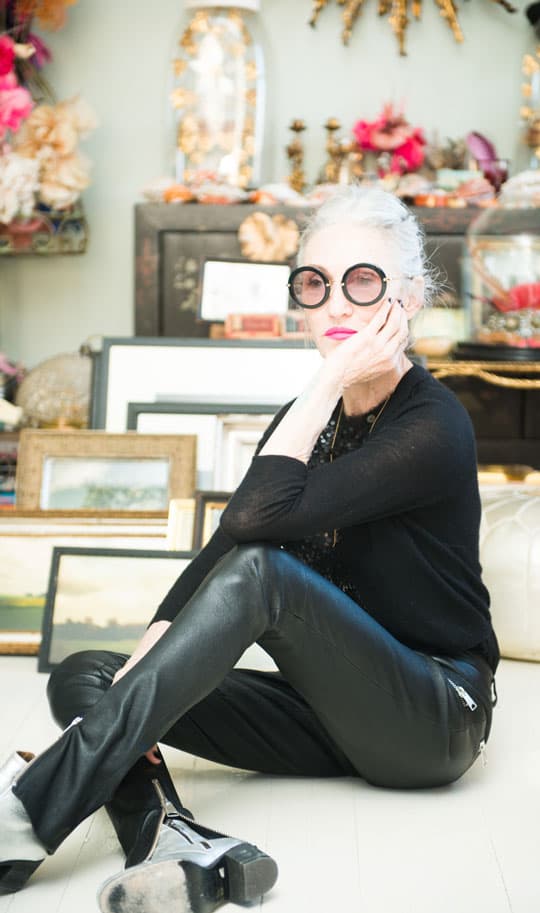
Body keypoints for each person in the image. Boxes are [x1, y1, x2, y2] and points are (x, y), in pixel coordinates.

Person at [0, 186, 499, 913]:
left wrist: (328, 376)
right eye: (314, 284)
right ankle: (171, 838)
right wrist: (140, 668)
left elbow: (257, 522)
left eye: (363, 282)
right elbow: (226, 541)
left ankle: (30, 811)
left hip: (433, 718)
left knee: (265, 573)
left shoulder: (435, 426)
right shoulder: (305, 420)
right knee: (90, 673)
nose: (334, 304)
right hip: (329, 713)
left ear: (411, 298)